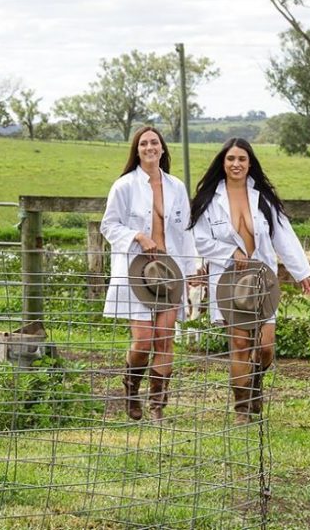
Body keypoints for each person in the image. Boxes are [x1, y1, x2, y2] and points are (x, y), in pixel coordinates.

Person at [189, 137, 310, 423]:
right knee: (241, 343)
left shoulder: (263, 199)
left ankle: (254, 383)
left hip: (261, 278)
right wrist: (229, 251)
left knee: (266, 347)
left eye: (242, 159)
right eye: (231, 159)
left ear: (250, 163)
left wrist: (302, 272)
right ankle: (242, 408)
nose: (236, 164)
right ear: (223, 162)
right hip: (229, 280)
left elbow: (284, 235)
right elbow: (199, 239)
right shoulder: (210, 201)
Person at [101, 125, 197, 421]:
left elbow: (186, 230)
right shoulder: (124, 186)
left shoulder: (176, 187)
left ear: (163, 148)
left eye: (154, 142)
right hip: (137, 271)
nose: (150, 147)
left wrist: (192, 268)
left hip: (169, 270)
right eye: (144, 144)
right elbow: (109, 225)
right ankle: (131, 386)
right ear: (137, 150)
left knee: (164, 339)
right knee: (143, 340)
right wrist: (138, 237)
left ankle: (157, 405)